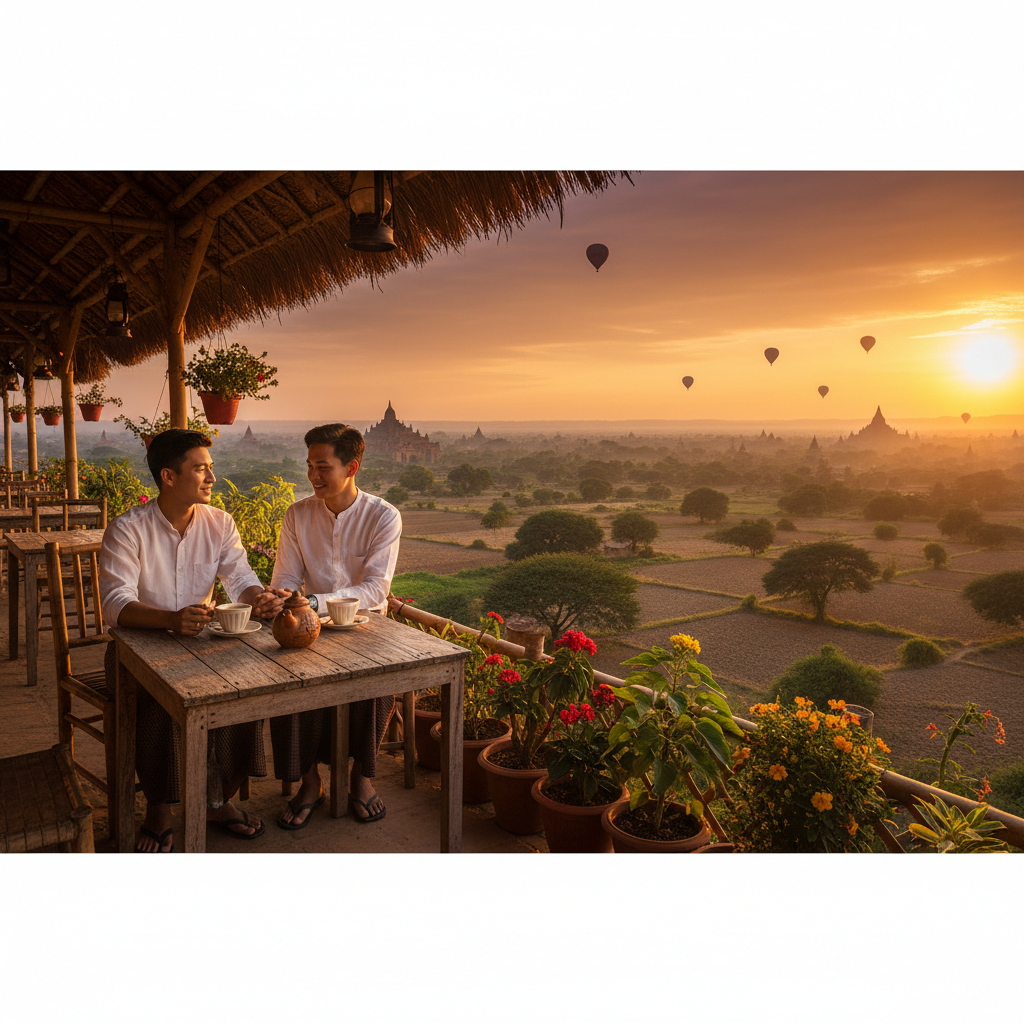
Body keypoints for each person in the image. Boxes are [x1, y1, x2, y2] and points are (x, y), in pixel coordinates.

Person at [100, 429, 280, 852]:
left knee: (249, 690)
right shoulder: (128, 530)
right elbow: (115, 604)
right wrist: (170, 620)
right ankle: (159, 810)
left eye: (210, 468)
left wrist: (261, 599)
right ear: (168, 475)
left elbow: (240, 578)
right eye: (201, 469)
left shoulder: (220, 524)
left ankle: (220, 799)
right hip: (136, 652)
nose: (212, 478)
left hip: (202, 644)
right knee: (166, 698)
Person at [260, 423, 402, 828]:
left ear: (352, 466)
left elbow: (377, 589)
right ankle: (310, 781)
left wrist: (312, 602)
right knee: (286, 683)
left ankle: (362, 776)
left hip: (366, 628)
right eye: (309, 466)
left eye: (323, 467)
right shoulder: (298, 514)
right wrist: (281, 598)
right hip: (309, 630)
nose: (313, 476)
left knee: (376, 686)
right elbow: (285, 576)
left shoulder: (382, 516)